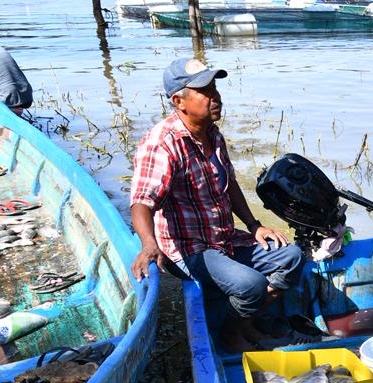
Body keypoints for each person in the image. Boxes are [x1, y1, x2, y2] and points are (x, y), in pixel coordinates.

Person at [130, 58, 304, 353]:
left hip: (223, 238)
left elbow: (230, 184)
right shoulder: (163, 143)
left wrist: (254, 225)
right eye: (205, 92)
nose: (216, 97)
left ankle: (244, 320)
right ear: (179, 101)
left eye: (214, 88)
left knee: (291, 257)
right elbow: (141, 202)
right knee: (250, 285)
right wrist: (149, 244)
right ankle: (231, 332)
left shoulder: (213, 134)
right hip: (189, 248)